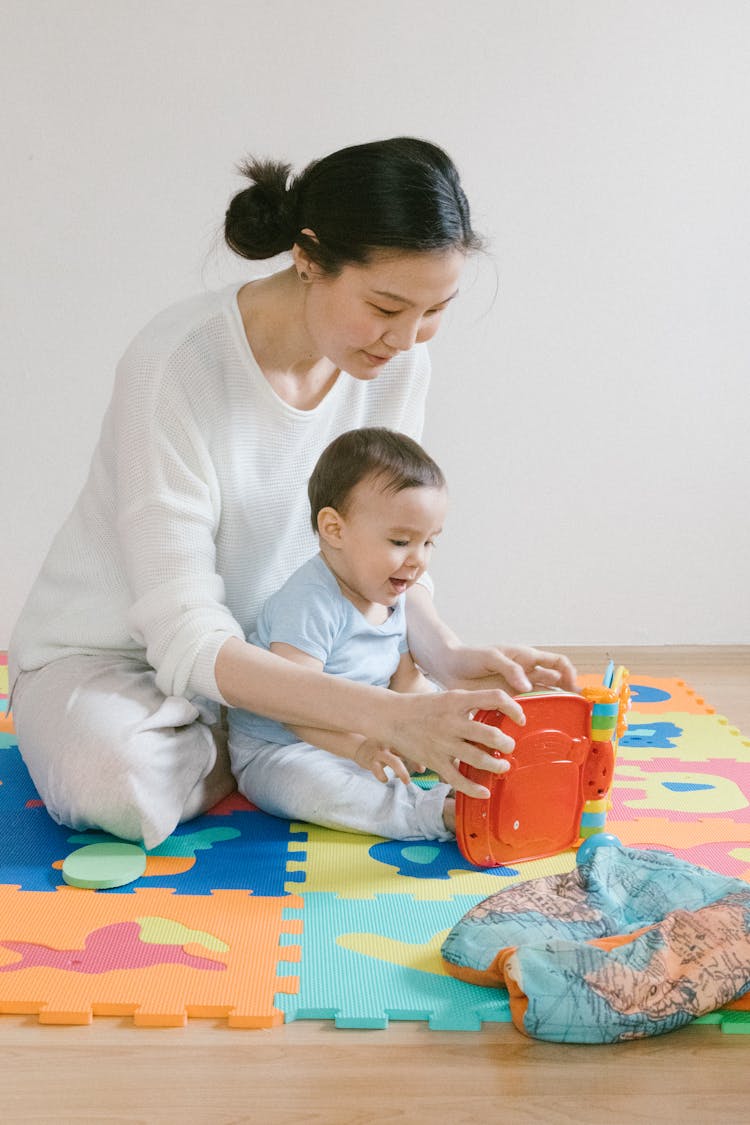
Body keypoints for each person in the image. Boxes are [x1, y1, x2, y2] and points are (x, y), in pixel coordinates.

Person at [8, 136, 576, 852]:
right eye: (387, 306)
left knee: (425, 716)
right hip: (115, 659)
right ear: (308, 258)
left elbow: (387, 537)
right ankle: (262, 741)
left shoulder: (396, 366)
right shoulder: (175, 363)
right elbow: (183, 633)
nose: (406, 339)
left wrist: (449, 656)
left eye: (433, 311)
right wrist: (385, 717)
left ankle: (270, 733)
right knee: (112, 781)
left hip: (291, 651)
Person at [230, 427, 479, 840]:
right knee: (322, 789)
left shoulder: (391, 592)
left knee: (453, 742)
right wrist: (358, 747)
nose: (418, 560)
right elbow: (294, 707)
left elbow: (406, 682)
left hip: (370, 734)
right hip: (284, 748)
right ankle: (432, 816)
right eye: (401, 541)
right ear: (334, 529)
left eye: (430, 543)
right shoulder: (309, 602)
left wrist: (452, 722)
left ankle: (475, 785)